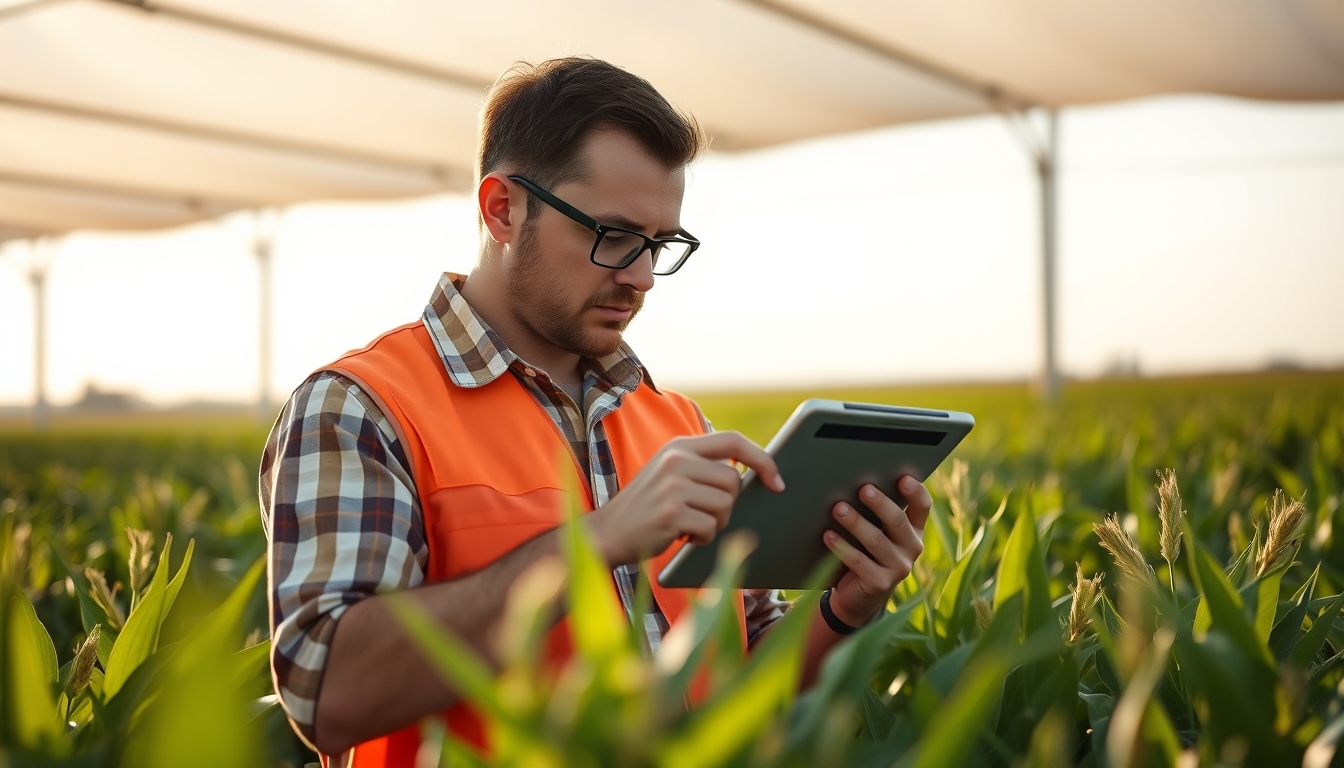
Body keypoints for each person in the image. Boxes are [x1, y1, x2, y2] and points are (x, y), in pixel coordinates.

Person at [259, 57, 931, 768]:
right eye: (613, 235)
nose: (641, 277)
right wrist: (594, 542)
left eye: (660, 245)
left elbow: (744, 688)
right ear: (502, 209)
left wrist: (843, 609)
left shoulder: (677, 423)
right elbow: (326, 691)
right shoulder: (361, 408)